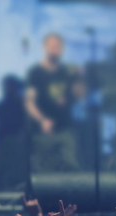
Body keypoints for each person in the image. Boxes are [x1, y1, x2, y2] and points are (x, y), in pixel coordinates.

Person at [25, 33, 83, 172]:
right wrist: (42, 120)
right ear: (44, 47)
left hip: (65, 130)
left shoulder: (67, 71)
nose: (54, 49)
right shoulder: (36, 72)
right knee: (43, 173)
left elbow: (79, 96)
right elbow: (29, 102)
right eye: (51, 46)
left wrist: (80, 77)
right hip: (42, 133)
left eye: (57, 46)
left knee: (71, 168)